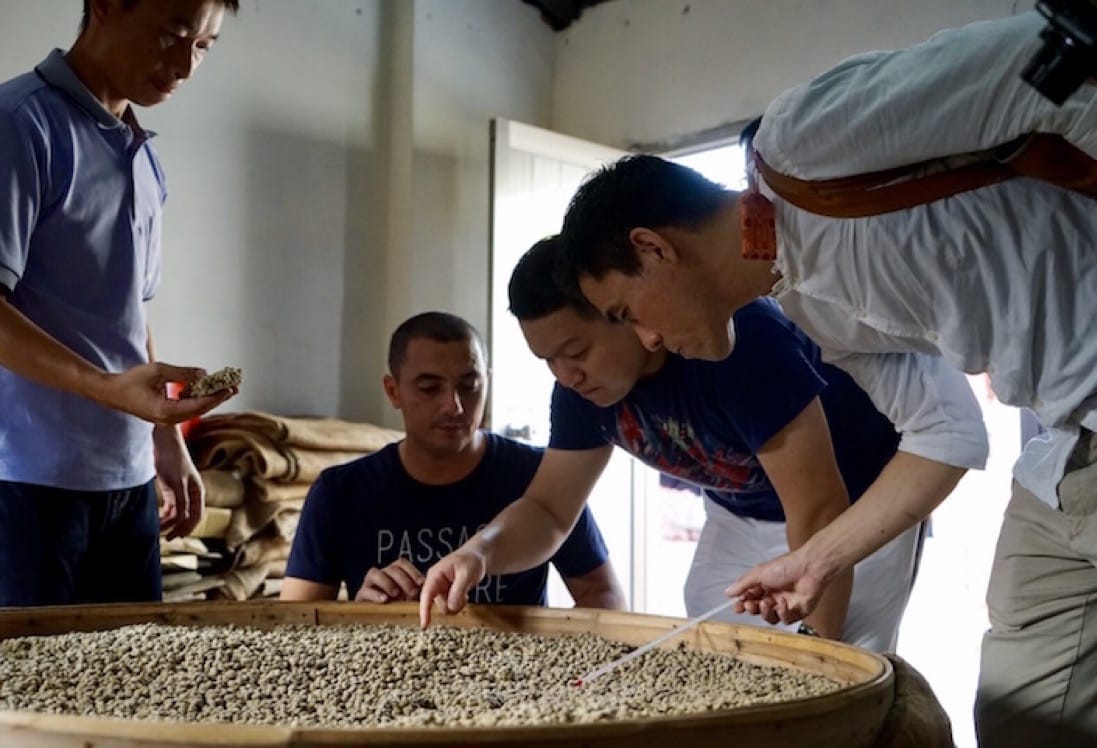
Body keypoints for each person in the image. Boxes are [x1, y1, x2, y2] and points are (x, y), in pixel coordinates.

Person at [559, 11, 1097, 747]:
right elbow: (945, 432)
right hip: (1064, 447)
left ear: (653, 248)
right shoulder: (810, 309)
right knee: (1026, 712)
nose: (647, 340)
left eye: (627, 311)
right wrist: (814, 559)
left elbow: (1042, 63)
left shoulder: (805, 144)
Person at [419, 235, 913, 651]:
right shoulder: (580, 389)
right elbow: (548, 510)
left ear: (627, 312)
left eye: (575, 351)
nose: (566, 375)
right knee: (722, 656)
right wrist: (479, 554)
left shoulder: (736, 342)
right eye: (547, 359)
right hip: (738, 509)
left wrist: (815, 647)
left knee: (837, 665)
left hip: (853, 508)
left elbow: (819, 508)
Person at [0, 0, 241, 607]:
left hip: (126, 481)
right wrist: (109, 389)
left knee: (131, 687)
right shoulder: (19, 124)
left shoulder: (141, 151)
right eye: (172, 35)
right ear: (105, 6)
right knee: (30, 694)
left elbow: (126, 311)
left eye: (205, 46)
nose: (185, 65)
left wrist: (164, 437)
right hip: (26, 480)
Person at [280, 311, 625, 611]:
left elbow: (603, 593)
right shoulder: (341, 492)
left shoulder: (542, 477)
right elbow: (294, 626)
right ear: (393, 391)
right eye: (429, 388)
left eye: (469, 385)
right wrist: (360, 615)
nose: (454, 406)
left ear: (487, 382)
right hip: (384, 675)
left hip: (514, 678)